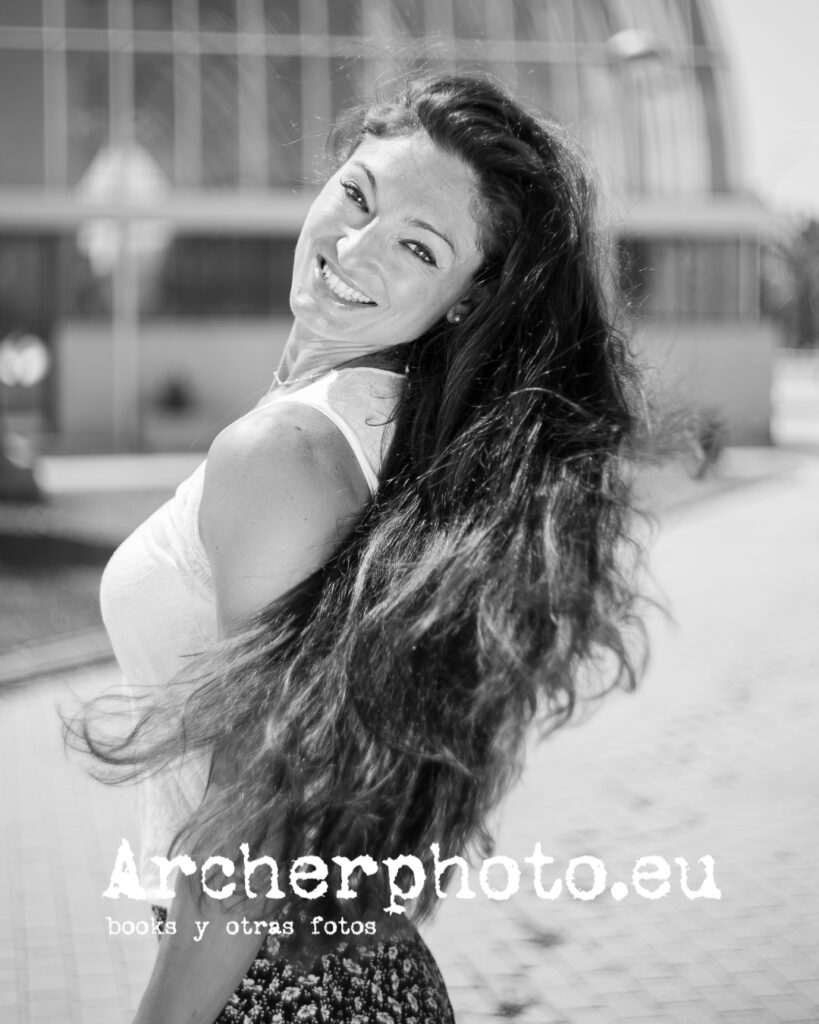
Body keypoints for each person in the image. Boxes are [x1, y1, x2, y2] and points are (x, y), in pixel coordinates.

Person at [70, 71, 646, 1024]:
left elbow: (248, 829)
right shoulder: (398, 439)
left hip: (275, 985)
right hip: (357, 979)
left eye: (418, 246)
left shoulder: (287, 453)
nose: (354, 246)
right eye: (356, 195)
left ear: (468, 298)